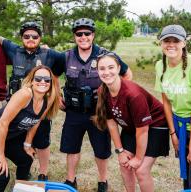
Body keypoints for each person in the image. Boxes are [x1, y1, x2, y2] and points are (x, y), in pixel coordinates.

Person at [52, 18, 132, 191]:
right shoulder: (66, 56)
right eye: (79, 34)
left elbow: (127, 74)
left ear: (93, 35)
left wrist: (116, 97)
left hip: (99, 111)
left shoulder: (105, 55)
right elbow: (53, 75)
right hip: (74, 111)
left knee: (101, 150)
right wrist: (57, 96)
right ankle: (70, 180)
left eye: (87, 33)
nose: (83, 37)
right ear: (74, 36)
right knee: (71, 148)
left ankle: (103, 181)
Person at [0, 65, 60, 192]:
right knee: (1, 176)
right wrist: (0, 155)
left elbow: (36, 122)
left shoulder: (47, 100)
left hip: (5, 136)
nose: (42, 82)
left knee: (26, 159)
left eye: (47, 80)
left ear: (51, 83)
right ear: (31, 81)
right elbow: (3, 123)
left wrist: (27, 144)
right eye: (38, 78)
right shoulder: (25, 94)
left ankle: (20, 189)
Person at [0, 21, 64, 181]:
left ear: (40, 38)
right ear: (21, 38)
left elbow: (67, 62)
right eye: (26, 36)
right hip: (17, 108)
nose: (31, 38)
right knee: (18, 142)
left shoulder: (50, 54)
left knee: (42, 143)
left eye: (35, 36)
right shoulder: (14, 50)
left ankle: (43, 173)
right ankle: (23, 170)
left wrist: (57, 93)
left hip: (39, 108)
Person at [94, 52, 169, 192]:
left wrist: (138, 158)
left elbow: (143, 130)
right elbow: (111, 123)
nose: (107, 72)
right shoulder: (102, 91)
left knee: (140, 170)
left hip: (155, 125)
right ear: (97, 71)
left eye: (111, 67)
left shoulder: (133, 94)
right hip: (133, 127)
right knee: (125, 164)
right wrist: (120, 151)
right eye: (102, 69)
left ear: (118, 69)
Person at [155, 24, 191, 189]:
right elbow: (166, 102)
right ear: (161, 44)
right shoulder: (160, 66)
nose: (171, 44)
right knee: (188, 170)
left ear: (184, 43)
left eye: (175, 40)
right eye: (166, 40)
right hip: (179, 125)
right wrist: (173, 134)